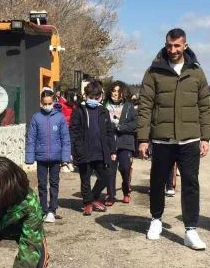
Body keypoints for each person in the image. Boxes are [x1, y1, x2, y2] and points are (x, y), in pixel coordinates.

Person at [137, 28, 210, 250]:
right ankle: (156, 220)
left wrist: (205, 137)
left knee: (190, 183)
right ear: (165, 45)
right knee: (158, 182)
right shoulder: (154, 71)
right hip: (162, 139)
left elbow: (204, 106)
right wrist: (142, 138)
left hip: (189, 140)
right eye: (169, 45)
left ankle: (190, 230)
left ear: (185, 45)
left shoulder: (196, 72)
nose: (173, 50)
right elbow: (145, 106)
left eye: (177, 46)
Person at [69, 80, 116, 216]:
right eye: (91, 98)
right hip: (84, 151)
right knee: (85, 179)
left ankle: (94, 197)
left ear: (100, 97)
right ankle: (87, 204)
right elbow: (74, 131)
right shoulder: (79, 111)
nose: (93, 100)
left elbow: (109, 132)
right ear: (86, 96)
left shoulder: (103, 111)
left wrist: (112, 150)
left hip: (101, 151)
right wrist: (73, 150)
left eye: (96, 98)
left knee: (106, 176)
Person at [25, 88, 71, 223]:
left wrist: (65, 157)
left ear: (53, 102)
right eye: (44, 103)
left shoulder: (60, 117)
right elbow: (31, 138)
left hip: (56, 158)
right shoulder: (36, 118)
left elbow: (65, 139)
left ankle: (52, 209)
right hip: (41, 158)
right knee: (42, 184)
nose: (47, 106)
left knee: (54, 183)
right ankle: (43, 210)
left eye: (49, 103)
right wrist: (29, 157)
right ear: (41, 103)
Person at [104, 81, 137, 204]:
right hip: (109, 143)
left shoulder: (129, 106)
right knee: (110, 170)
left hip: (125, 143)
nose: (115, 94)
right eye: (113, 91)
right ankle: (110, 195)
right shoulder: (104, 105)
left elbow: (135, 124)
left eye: (118, 91)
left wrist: (120, 127)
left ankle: (126, 190)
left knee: (125, 168)